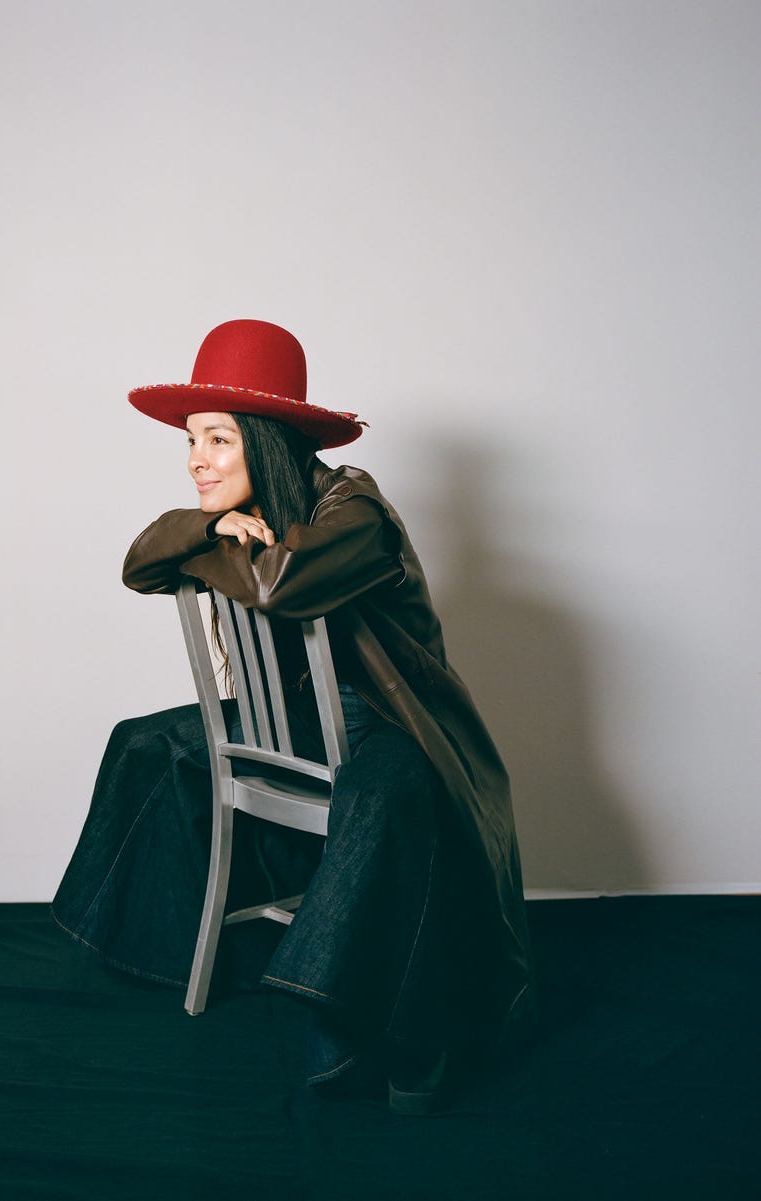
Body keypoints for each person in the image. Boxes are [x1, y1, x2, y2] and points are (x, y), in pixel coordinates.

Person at [52, 319, 534, 1114]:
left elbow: (281, 584)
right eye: (191, 441)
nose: (195, 459)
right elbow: (141, 562)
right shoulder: (239, 517)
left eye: (216, 439)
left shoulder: (357, 513)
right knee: (145, 744)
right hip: (296, 722)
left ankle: (370, 1019)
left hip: (394, 724)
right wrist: (208, 526)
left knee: (383, 799)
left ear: (266, 442)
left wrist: (208, 545)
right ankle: (188, 953)